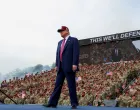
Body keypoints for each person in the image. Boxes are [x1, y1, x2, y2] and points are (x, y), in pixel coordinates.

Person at [43, 26, 79, 109]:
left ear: (67, 30)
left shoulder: (73, 40)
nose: (61, 33)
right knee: (57, 85)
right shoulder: (59, 42)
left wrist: (74, 64)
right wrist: (57, 65)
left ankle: (74, 103)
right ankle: (52, 103)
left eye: (62, 31)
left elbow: (76, 53)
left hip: (69, 66)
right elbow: (57, 55)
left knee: (71, 85)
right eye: (60, 31)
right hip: (60, 67)